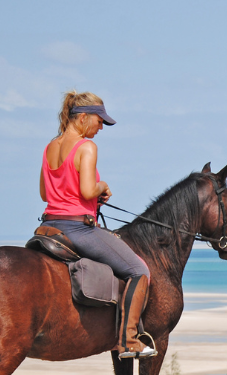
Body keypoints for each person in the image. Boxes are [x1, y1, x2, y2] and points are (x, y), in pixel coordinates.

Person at [38, 91, 156, 359]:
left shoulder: (49, 148)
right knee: (139, 270)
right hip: (77, 228)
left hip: (49, 226)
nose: (101, 127)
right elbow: (88, 189)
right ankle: (128, 341)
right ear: (82, 118)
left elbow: (46, 194)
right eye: (99, 121)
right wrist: (102, 187)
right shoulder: (86, 147)